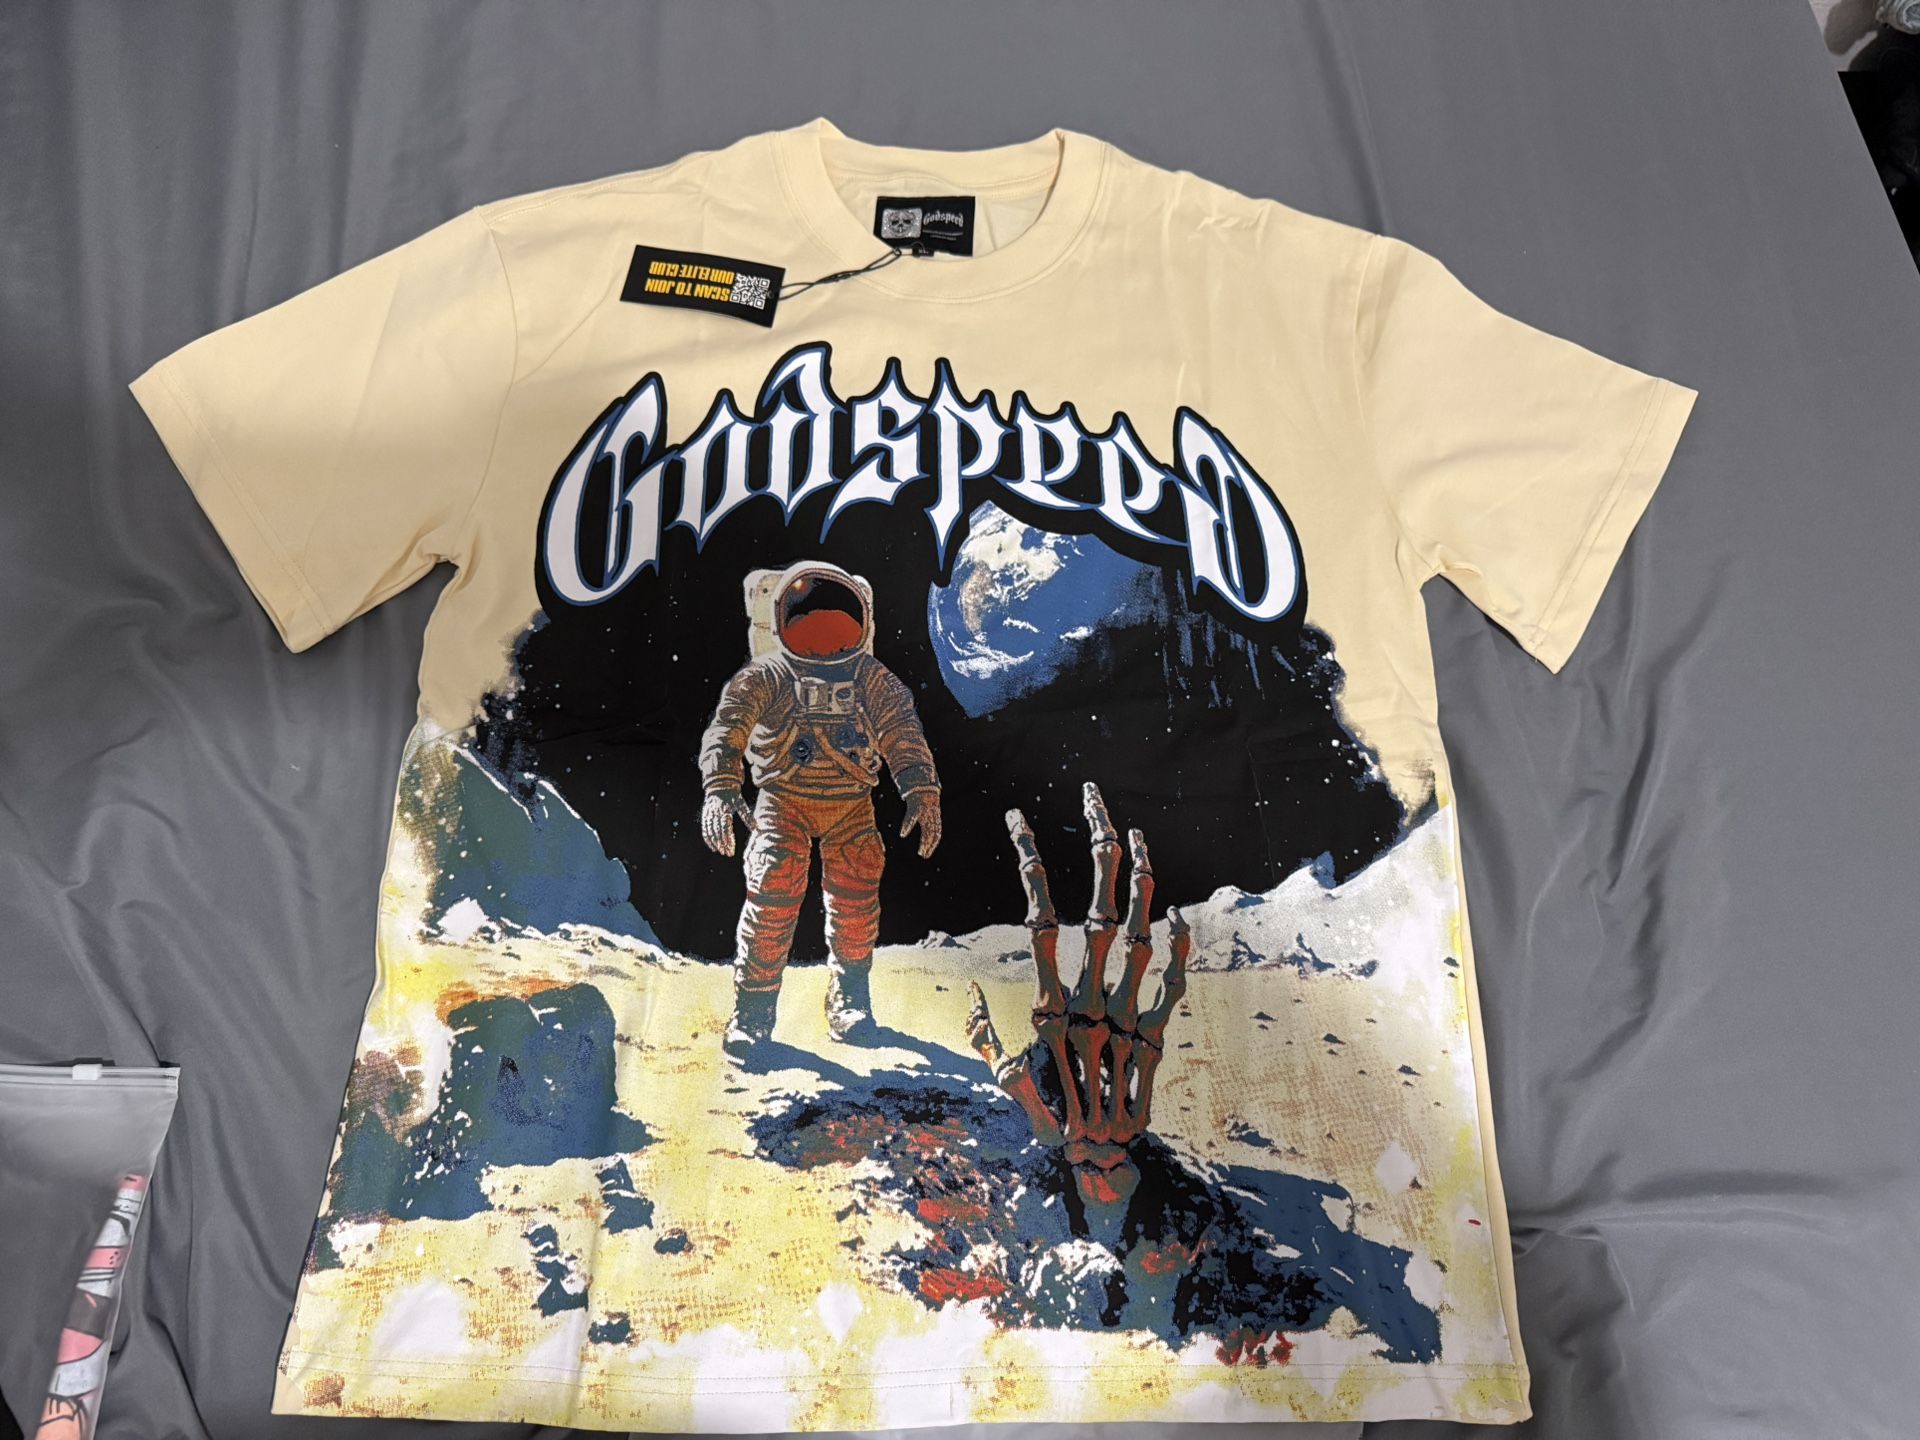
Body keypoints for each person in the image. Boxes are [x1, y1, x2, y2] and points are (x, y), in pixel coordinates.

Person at [697, 562, 941, 1056]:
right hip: (782, 801)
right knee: (773, 887)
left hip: (851, 805)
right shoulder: (767, 676)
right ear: (781, 622)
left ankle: (850, 996)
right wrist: (720, 786)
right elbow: (729, 727)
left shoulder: (871, 678)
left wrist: (920, 787)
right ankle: (753, 1009)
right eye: (811, 626)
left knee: (857, 897)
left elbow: (900, 729)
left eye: (837, 628)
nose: (826, 642)